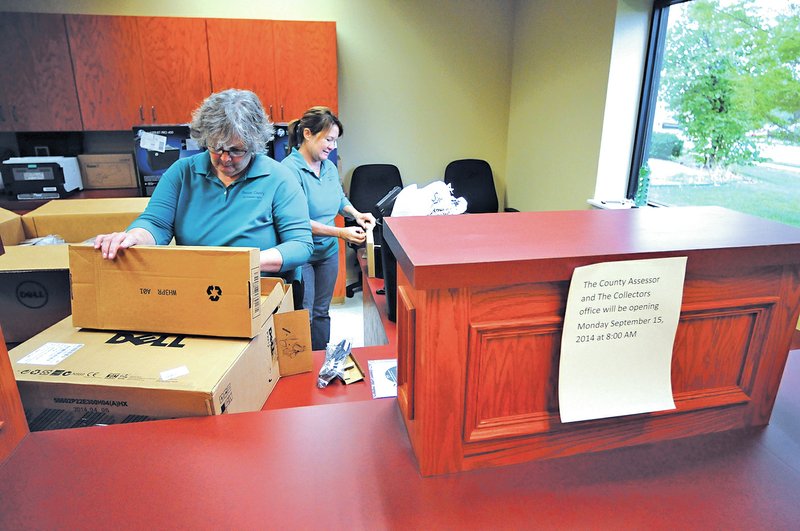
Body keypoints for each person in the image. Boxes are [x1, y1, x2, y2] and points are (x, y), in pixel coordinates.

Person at [94, 89, 313, 285]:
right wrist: (134, 236)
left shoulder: (279, 178)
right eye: (217, 148)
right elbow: (155, 223)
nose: (225, 158)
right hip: (197, 286)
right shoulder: (182, 173)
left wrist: (246, 261)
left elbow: (300, 244)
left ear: (255, 145)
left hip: (258, 290)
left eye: (237, 150)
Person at [282, 107, 375, 351]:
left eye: (335, 140)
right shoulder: (288, 171)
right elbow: (298, 221)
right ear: (308, 134)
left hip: (327, 253)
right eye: (329, 139)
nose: (332, 146)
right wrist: (341, 233)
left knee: (323, 312)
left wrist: (356, 214)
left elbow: (340, 199)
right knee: (305, 313)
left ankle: (322, 358)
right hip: (301, 255)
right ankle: (302, 364)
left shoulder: (329, 167)